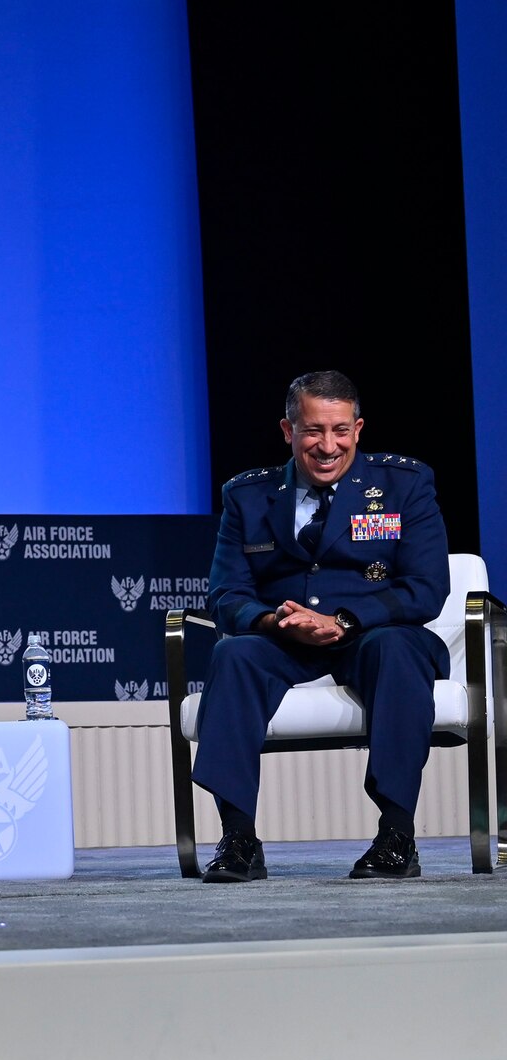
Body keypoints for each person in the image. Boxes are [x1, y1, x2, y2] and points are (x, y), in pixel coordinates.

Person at [194, 370, 449, 882]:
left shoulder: (405, 484)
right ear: (288, 432)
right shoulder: (247, 496)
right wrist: (273, 620)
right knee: (232, 654)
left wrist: (344, 620)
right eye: (313, 431)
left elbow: (425, 588)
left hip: (372, 635)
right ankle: (239, 838)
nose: (327, 445)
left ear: (358, 428)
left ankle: (396, 835)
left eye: (339, 430)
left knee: (397, 648)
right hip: (285, 639)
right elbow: (226, 594)